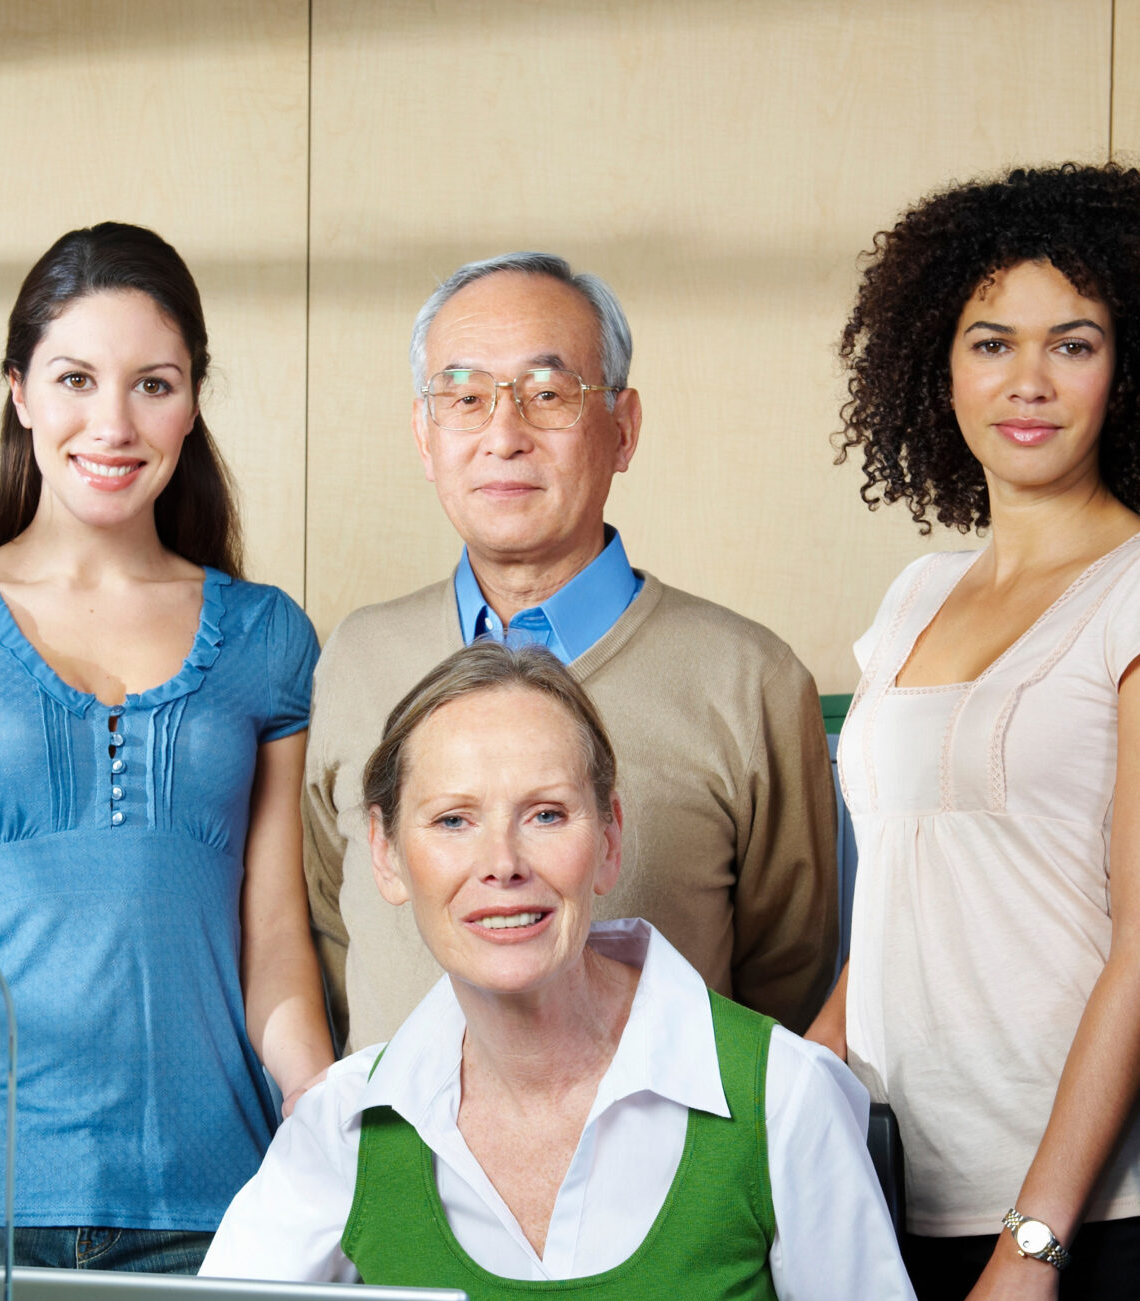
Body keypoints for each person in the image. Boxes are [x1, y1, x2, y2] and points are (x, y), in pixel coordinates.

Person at [207, 645, 951, 1301]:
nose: (502, 865)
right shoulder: (346, 1124)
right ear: (387, 857)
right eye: (453, 821)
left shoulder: (778, 1092)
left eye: (546, 816)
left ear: (611, 839)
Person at [811, 164, 1140, 1301]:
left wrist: (1034, 1244)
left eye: (1074, 344)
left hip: (1096, 1219)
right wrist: (794, 1123)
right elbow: (891, 913)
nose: (1028, 381)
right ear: (934, 367)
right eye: (990, 342)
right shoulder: (910, 601)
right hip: (892, 1188)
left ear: (1133, 367)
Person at [0, 224, 332, 1275]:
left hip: (218, 1201)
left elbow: (275, 932)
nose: (112, 423)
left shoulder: (268, 636)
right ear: (18, 391)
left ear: (193, 402)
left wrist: (322, 1122)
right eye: (74, 379)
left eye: (153, 384)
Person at [303, 252, 838, 1053]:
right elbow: (329, 930)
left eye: (548, 395)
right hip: (393, 1167)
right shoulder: (355, 656)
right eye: (466, 397)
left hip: (661, 1171)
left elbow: (783, 986)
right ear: (425, 435)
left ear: (622, 429)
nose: (503, 436)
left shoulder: (749, 679)